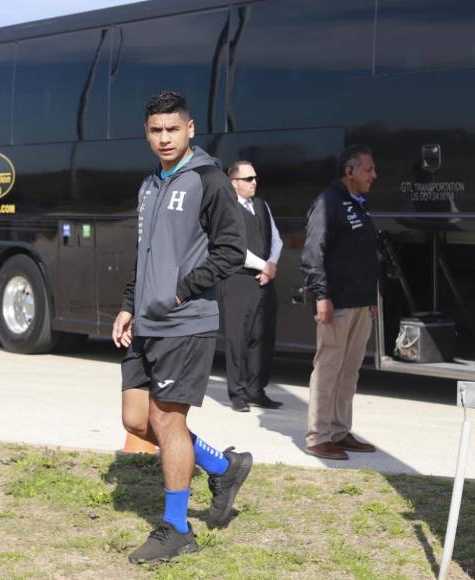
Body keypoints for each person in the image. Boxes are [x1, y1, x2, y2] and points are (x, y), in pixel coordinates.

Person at [111, 90, 253, 564]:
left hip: (184, 322)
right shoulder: (150, 185)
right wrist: (130, 304)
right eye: (156, 130)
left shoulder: (209, 180)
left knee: (168, 421)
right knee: (136, 419)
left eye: (174, 129)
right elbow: (144, 253)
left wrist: (183, 290)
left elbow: (232, 250)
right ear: (146, 133)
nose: (165, 138)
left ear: (190, 129)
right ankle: (221, 465)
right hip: (147, 322)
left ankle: (176, 528)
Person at [299, 145, 380, 460]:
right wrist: (322, 295)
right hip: (337, 302)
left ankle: (339, 430)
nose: (374, 175)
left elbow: (363, 255)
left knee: (349, 370)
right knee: (328, 369)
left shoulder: (359, 203)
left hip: (360, 302)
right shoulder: (327, 202)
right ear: (350, 171)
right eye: (368, 169)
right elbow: (312, 253)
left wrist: (370, 298)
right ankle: (319, 436)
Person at [219, 161, 284, 412]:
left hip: (264, 281)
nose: (254, 182)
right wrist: (264, 266)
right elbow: (234, 249)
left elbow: (276, 239)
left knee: (262, 337)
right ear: (234, 183)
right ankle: (237, 393)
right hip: (238, 281)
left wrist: (272, 265)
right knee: (238, 339)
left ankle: (257, 390)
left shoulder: (262, 205)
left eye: (255, 178)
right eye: (248, 179)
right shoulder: (226, 209)